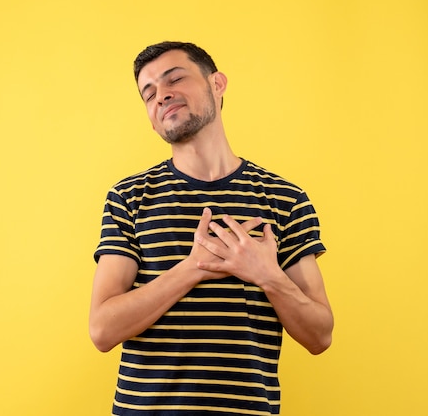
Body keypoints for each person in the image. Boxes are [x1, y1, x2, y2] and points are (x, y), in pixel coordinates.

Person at [89, 41, 333, 415]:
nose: (161, 94)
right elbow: (102, 330)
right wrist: (193, 267)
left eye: (175, 78)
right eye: (148, 92)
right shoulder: (129, 198)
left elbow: (320, 335)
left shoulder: (285, 199)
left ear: (217, 84)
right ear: (150, 117)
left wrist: (268, 275)